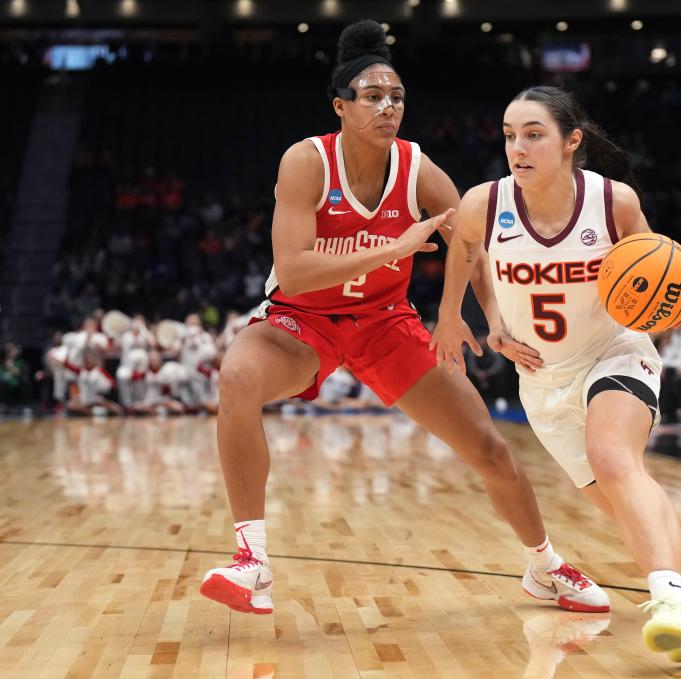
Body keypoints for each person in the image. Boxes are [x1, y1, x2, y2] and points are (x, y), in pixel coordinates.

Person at [200, 22, 607, 618]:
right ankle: (251, 560)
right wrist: (393, 249)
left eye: (396, 97)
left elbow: (470, 240)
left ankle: (545, 566)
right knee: (236, 378)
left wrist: (489, 314)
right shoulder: (307, 161)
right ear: (340, 106)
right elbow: (293, 272)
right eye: (372, 96)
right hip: (302, 321)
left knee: (490, 451)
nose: (388, 107)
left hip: (386, 322)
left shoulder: (416, 167)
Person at [430, 85, 681, 664]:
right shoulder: (486, 202)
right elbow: (465, 248)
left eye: (534, 134)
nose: (518, 146)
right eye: (510, 135)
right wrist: (474, 317)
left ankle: (670, 605)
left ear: (572, 141)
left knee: (615, 460)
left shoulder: (614, 203)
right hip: (541, 380)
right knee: (627, 509)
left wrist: (666, 308)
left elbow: (662, 279)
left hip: (614, 351)